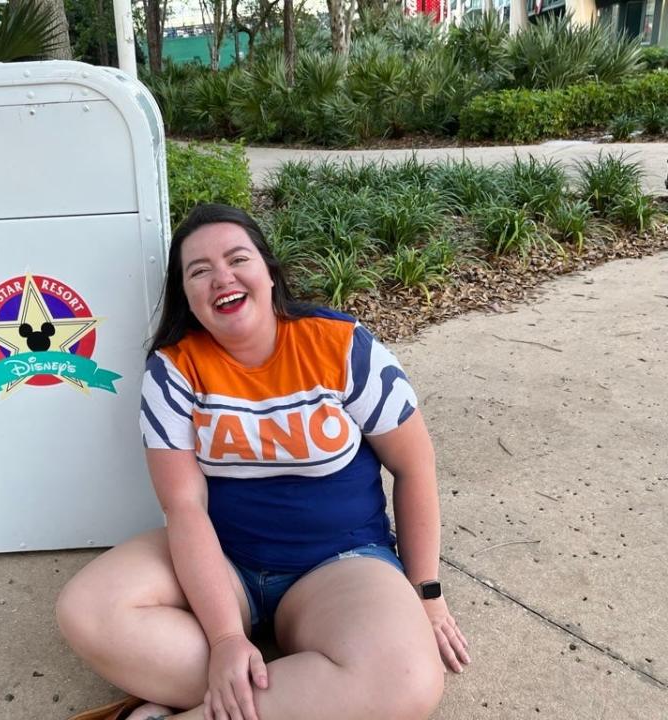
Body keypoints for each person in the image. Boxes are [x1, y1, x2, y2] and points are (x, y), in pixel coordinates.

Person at [57, 204, 470, 720]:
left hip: (340, 565)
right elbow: (184, 507)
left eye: (237, 259)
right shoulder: (173, 369)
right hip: (224, 561)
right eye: (199, 271)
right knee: (89, 611)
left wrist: (426, 592)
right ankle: (303, 683)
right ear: (186, 295)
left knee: (407, 680)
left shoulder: (343, 346)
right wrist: (227, 636)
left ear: (269, 272)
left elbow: (415, 467)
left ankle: (184, 710)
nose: (220, 278)